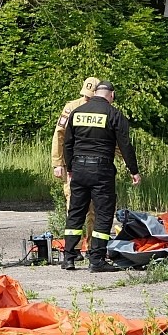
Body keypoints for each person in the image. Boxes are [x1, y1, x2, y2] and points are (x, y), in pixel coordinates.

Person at [62, 81, 141, 272]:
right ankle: (96, 259)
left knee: (75, 212)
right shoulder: (113, 114)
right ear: (111, 95)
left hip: (79, 168)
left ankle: (69, 257)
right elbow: (125, 145)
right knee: (103, 214)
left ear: (95, 93)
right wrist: (134, 170)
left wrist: (70, 167)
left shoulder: (77, 112)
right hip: (101, 169)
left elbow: (67, 143)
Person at [51, 76, 100, 262]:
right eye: (85, 95)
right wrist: (58, 163)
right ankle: (75, 248)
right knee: (74, 206)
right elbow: (59, 135)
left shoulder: (101, 109)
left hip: (92, 166)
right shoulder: (71, 107)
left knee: (94, 209)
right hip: (72, 166)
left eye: (90, 96)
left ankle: (93, 247)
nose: (86, 99)